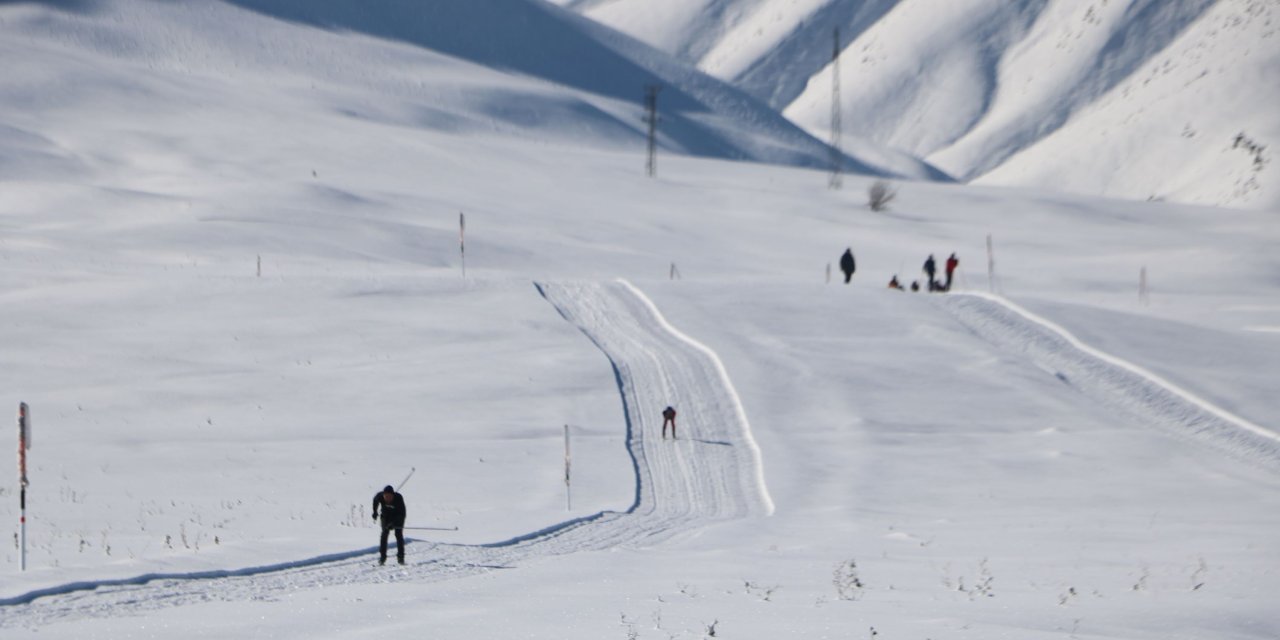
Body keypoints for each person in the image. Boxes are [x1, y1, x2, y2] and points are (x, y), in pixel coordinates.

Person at [372, 485, 407, 565]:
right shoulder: (380, 496)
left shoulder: (398, 498)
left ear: (393, 495)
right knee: (384, 534)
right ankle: (382, 557)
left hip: (398, 516)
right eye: (386, 496)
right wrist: (375, 511)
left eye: (389, 496)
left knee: (398, 534)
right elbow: (375, 500)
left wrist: (393, 523)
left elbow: (401, 514)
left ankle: (400, 557)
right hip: (386, 515)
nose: (387, 498)